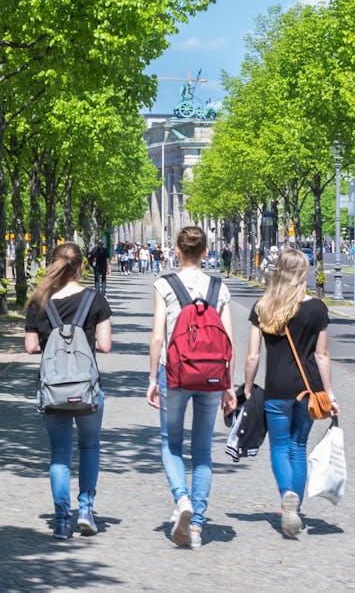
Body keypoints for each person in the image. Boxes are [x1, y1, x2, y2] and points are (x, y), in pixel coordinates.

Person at [146, 225, 236, 550]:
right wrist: (229, 384)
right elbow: (229, 340)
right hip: (212, 375)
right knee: (202, 451)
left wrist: (153, 378)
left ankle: (181, 499)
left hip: (175, 371)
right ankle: (197, 524)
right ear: (206, 252)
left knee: (171, 443)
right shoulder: (218, 287)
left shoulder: (165, 285)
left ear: (177, 251)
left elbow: (158, 335)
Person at [243, 248, 339, 538]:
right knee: (299, 446)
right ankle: (293, 506)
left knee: (279, 447)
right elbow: (322, 355)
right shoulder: (317, 309)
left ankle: (287, 498)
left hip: (277, 387)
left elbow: (252, 356)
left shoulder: (263, 307)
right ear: (303, 273)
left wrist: (247, 387)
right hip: (308, 388)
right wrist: (330, 393)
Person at [24, 243, 112, 540]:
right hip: (87, 388)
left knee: (59, 456)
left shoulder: (39, 302)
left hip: (52, 389)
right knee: (90, 447)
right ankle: (86, 509)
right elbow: (105, 345)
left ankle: (62, 521)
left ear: (53, 266)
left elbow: (31, 346)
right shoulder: (95, 299)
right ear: (82, 267)